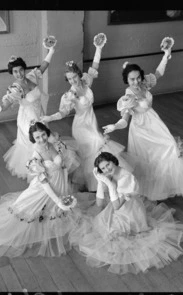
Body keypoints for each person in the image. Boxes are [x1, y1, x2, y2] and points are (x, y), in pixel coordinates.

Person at [102, 39, 183, 201]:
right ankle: (148, 190)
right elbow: (124, 119)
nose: (136, 81)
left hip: (155, 124)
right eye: (132, 79)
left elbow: (159, 72)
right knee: (147, 159)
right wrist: (114, 126)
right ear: (126, 81)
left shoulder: (145, 84)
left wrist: (166, 55)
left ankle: (166, 186)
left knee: (171, 148)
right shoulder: (128, 97)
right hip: (141, 130)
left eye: (138, 77)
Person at [0, 122, 81, 258]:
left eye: (43, 135)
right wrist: (57, 200)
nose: (41, 139)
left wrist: (64, 184)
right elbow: (43, 181)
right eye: (37, 137)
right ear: (33, 139)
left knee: (49, 213)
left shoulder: (53, 144)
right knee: (23, 210)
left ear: (47, 132)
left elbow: (62, 166)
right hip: (43, 189)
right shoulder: (36, 156)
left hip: (59, 185)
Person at [69, 152, 183, 275]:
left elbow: (117, 206)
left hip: (129, 210)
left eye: (108, 164)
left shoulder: (126, 178)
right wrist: (100, 182)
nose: (107, 169)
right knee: (102, 224)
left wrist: (109, 185)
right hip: (118, 205)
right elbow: (99, 203)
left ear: (113, 161)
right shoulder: (109, 174)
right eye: (103, 168)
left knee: (114, 233)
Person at [41, 33, 126, 191]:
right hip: (80, 125)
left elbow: (95, 65)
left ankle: (104, 179)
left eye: (74, 77)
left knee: (95, 147)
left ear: (79, 75)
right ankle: (94, 181)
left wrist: (98, 48)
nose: (73, 81)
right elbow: (62, 113)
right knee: (96, 142)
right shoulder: (68, 95)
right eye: (70, 79)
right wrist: (49, 118)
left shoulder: (87, 82)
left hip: (91, 121)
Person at [0, 40, 55, 180]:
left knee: (44, 138)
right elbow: (3, 107)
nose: (19, 74)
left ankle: (49, 165)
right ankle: (37, 171)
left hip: (39, 113)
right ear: (12, 73)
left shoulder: (31, 77)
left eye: (21, 70)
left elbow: (44, 66)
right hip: (28, 118)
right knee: (35, 142)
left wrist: (51, 51)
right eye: (15, 71)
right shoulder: (15, 89)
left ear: (24, 69)